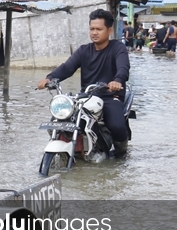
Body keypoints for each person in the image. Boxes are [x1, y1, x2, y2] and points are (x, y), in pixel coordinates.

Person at [37, 9, 130, 156]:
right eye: (92, 29)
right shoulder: (83, 50)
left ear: (109, 30)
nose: (94, 32)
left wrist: (117, 81)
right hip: (86, 96)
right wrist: (50, 78)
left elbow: (123, 68)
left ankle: (121, 153)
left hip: (110, 96)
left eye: (99, 29)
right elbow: (67, 68)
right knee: (59, 119)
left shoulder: (118, 48)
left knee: (116, 126)